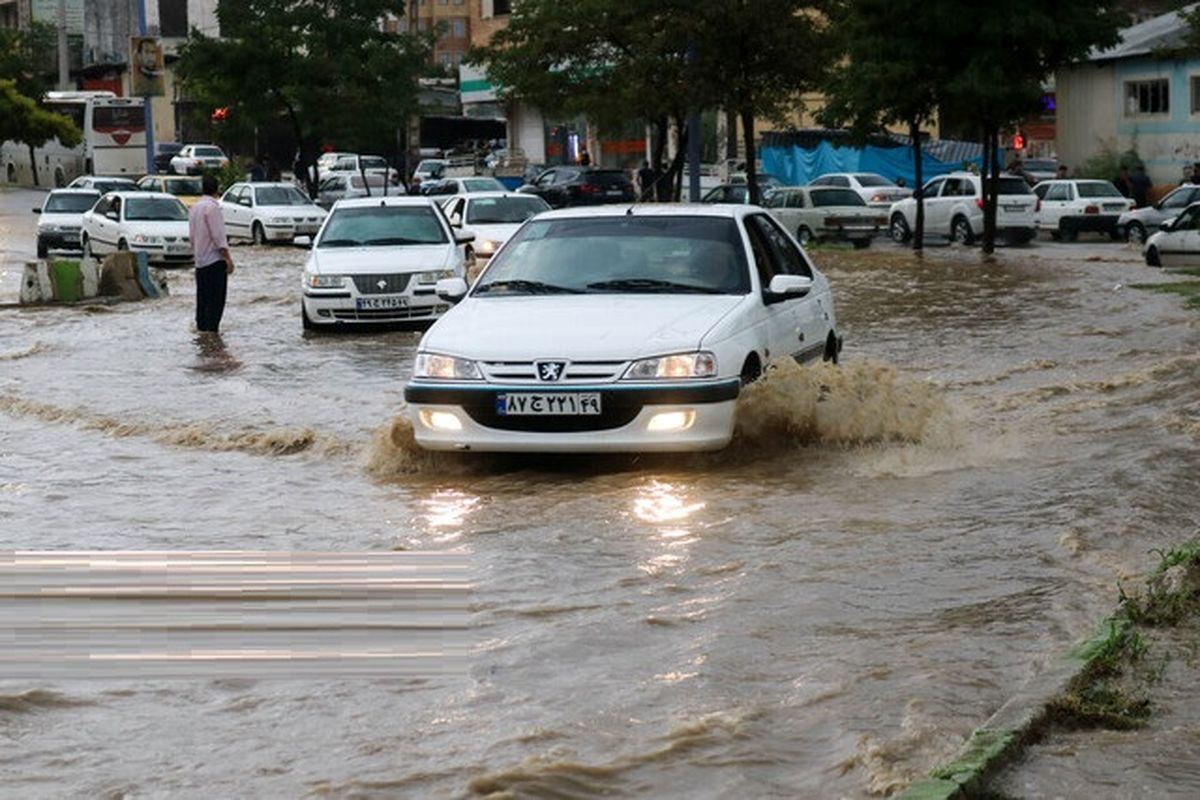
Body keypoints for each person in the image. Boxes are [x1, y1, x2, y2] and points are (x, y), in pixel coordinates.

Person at [189, 174, 234, 333]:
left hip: (200, 262)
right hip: (214, 261)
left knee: (202, 301)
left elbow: (192, 237)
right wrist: (228, 259)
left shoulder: (194, 208)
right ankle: (212, 335)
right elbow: (218, 236)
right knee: (216, 302)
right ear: (217, 189)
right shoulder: (212, 208)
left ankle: (203, 338)